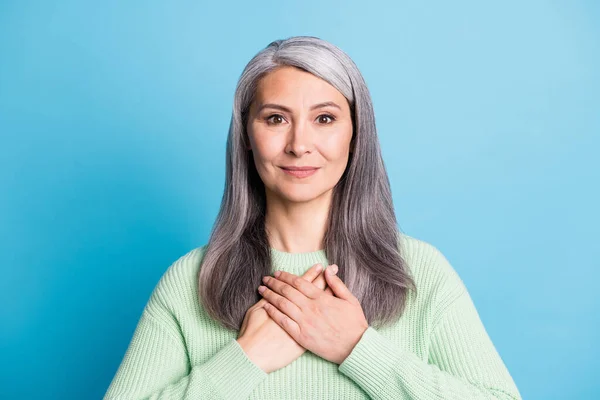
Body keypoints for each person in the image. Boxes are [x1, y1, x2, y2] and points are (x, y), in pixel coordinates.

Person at [104, 36, 522, 399]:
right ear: (247, 136)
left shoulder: (420, 272)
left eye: (324, 118)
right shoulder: (191, 281)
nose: (300, 144)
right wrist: (244, 360)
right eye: (275, 118)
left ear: (356, 134)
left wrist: (358, 349)